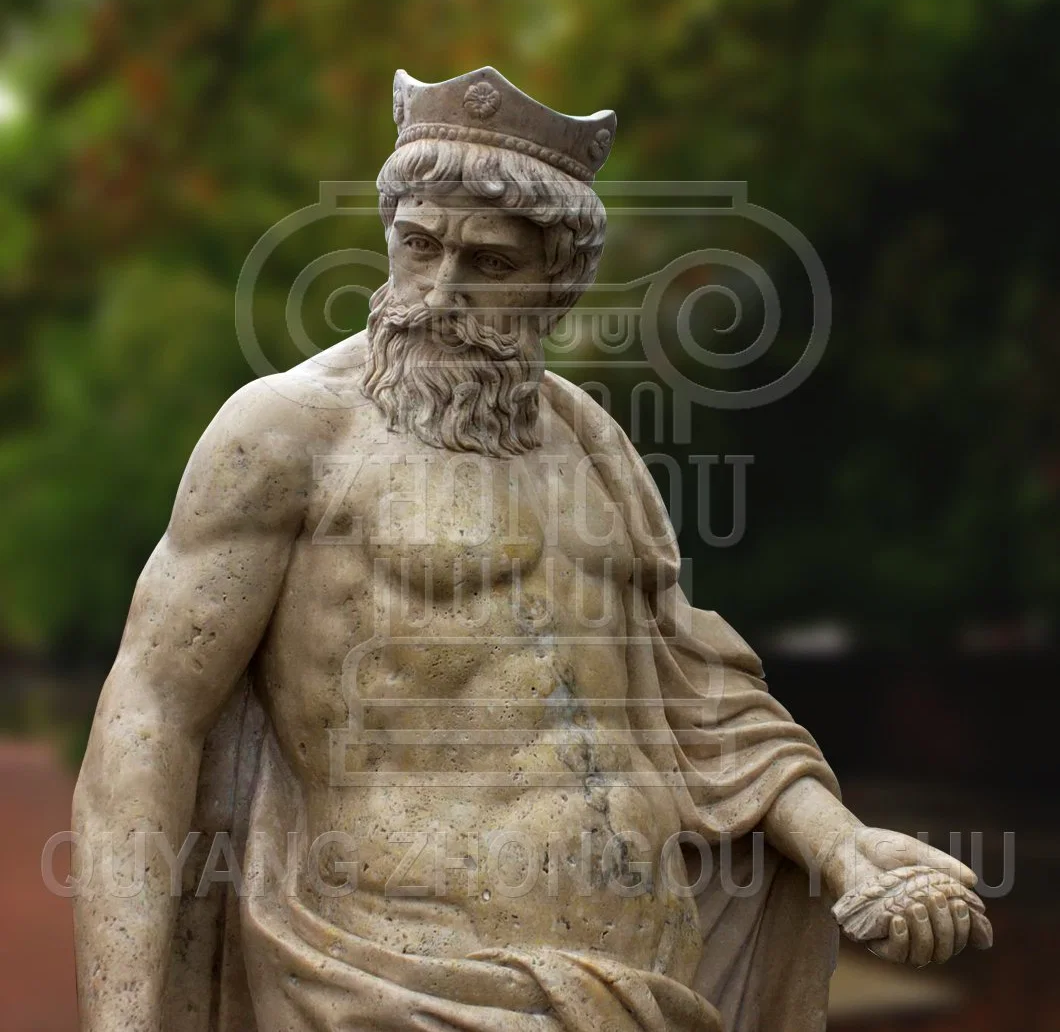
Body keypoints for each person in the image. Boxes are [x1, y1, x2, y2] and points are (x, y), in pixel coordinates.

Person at [72, 67, 991, 1032]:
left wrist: (844, 848)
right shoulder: (291, 433)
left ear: (558, 283)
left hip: (651, 982)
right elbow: (149, 721)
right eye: (417, 247)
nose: (437, 293)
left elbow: (700, 700)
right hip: (395, 980)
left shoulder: (592, 442)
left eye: (492, 264)